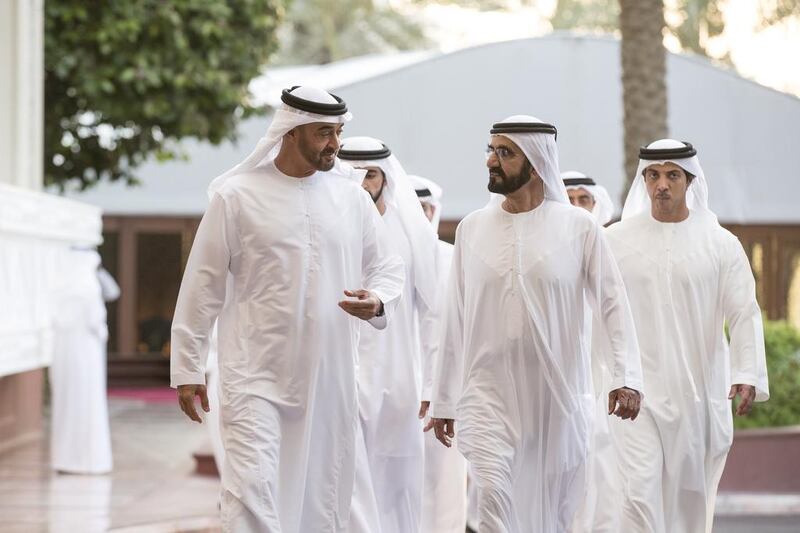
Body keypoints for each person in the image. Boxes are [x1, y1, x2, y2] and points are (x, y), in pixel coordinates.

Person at [170, 86, 405, 533]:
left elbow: (388, 266)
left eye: (337, 132)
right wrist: (188, 367)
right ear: (291, 132)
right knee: (251, 491)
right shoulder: (236, 196)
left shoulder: (351, 199)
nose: (334, 144)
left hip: (328, 379)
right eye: (323, 133)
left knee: (321, 496)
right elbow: (203, 284)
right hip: (253, 375)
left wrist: (377, 299)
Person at [428, 115, 643, 532]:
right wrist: (444, 399)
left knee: (551, 516)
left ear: (536, 160)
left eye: (504, 152)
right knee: (492, 502)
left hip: (557, 399)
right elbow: (454, 317)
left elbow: (613, 305)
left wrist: (626, 376)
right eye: (491, 150)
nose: (492, 160)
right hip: (487, 395)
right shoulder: (472, 229)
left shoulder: (578, 228)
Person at [604, 139, 769, 533]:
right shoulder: (615, 241)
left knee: (688, 504)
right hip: (636, 395)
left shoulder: (721, 244)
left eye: (672, 175)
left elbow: (743, 311)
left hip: (698, 395)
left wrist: (746, 373)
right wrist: (614, 376)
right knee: (638, 496)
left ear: (689, 180)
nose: (662, 184)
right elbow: (600, 313)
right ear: (643, 180)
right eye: (654, 175)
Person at [338, 137, 439, 533]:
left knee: (397, 481)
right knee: (344, 479)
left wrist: (433, 381)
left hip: (399, 377)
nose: (362, 183)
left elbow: (433, 313)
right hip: (341, 371)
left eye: (371, 175)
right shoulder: (329, 223)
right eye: (354, 175)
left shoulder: (413, 232)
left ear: (386, 178)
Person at [561, 170, 621, 532]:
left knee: (604, 475)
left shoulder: (613, 247)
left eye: (585, 200)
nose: (578, 208)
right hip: (563, 381)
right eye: (570, 200)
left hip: (605, 383)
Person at [408, 174, 469, 533]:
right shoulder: (380, 262)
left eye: (424, 208)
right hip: (394, 393)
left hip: (448, 392)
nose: (418, 216)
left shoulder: (454, 259)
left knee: (444, 488)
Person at [50, 249, 116, 474]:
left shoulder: (60, 288)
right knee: (87, 403)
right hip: (86, 354)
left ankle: (66, 458)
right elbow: (96, 322)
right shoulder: (88, 288)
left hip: (63, 354)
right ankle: (89, 460)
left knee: (67, 405)